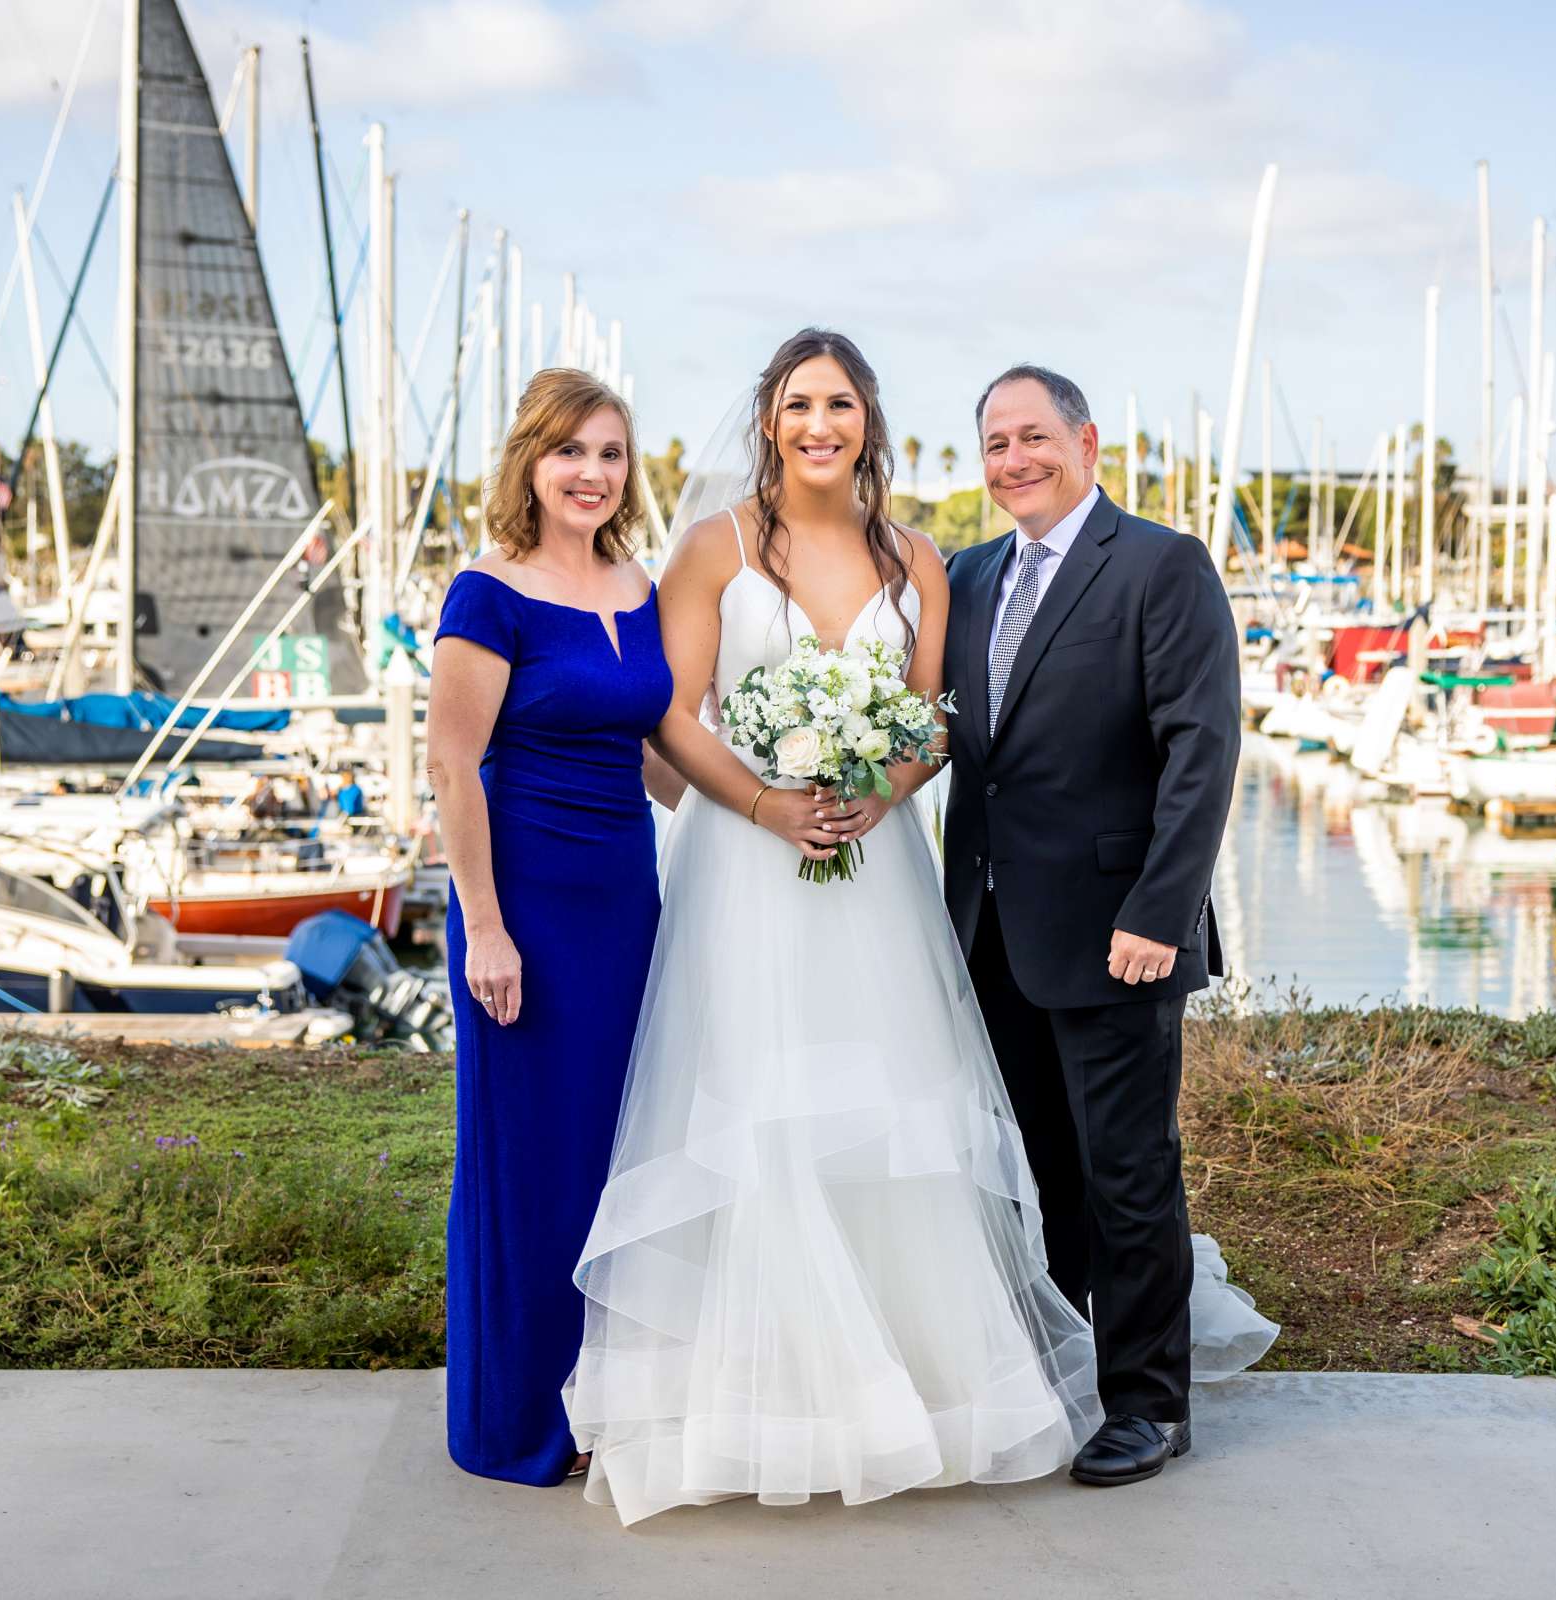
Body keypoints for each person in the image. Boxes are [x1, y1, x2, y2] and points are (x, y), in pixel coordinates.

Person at [563, 329, 1103, 1526]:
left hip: (873, 869)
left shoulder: (918, 559)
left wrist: (883, 788)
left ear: (869, 421)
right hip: (743, 872)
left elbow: (929, 723)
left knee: (883, 1104)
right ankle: (750, 1399)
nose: (821, 424)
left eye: (842, 404)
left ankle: (908, 1386)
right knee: (755, 1099)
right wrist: (764, 800)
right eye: (801, 403)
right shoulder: (712, 548)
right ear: (770, 418)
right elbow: (675, 709)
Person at [941, 364, 1242, 1487]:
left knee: (1127, 1174)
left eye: (1034, 436)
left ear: (1087, 441)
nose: (1015, 459)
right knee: (1036, 1172)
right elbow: (950, 742)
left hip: (1120, 933)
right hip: (988, 932)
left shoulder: (1162, 566)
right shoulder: (966, 576)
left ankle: (1150, 1405)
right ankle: (1067, 1373)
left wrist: (1160, 911)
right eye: (995, 443)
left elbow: (1199, 751)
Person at [425, 368, 673, 1485]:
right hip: (522, 909)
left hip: (627, 905)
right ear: (530, 460)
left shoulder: (637, 583)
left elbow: (660, 759)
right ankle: (519, 1419)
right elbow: (452, 762)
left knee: (618, 1155)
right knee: (529, 1162)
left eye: (611, 453)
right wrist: (485, 925)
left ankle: (605, 1402)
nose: (592, 473)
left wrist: (774, 801)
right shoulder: (490, 590)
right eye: (571, 451)